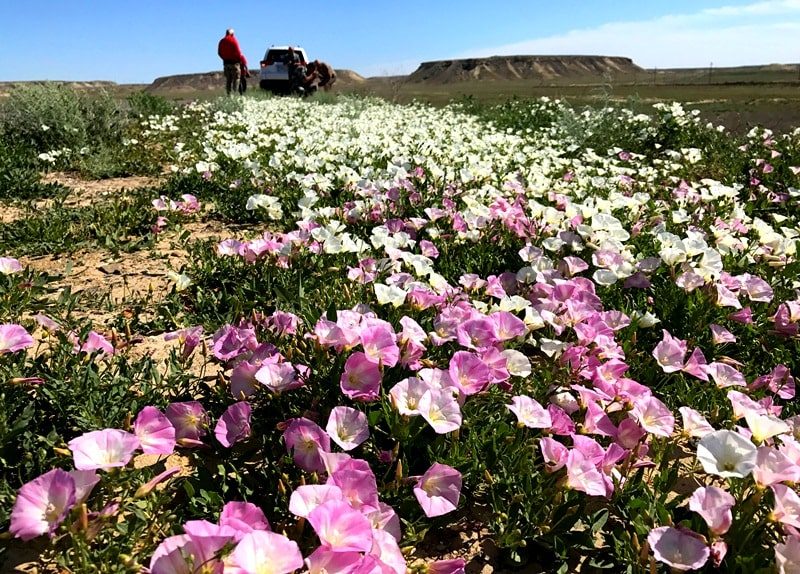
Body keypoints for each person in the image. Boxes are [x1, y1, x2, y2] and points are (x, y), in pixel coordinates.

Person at [217, 29, 243, 95]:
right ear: (232, 34)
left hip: (226, 63)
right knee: (236, 78)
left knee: (228, 80)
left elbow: (219, 52)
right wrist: (239, 60)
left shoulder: (221, 41)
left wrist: (224, 58)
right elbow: (238, 52)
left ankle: (228, 94)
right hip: (234, 63)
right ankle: (235, 93)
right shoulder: (233, 40)